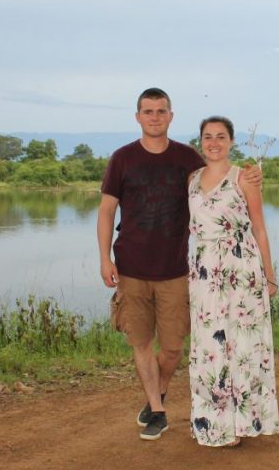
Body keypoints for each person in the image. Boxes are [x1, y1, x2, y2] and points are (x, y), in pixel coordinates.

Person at [98, 89, 261, 441]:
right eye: (148, 111)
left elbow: (220, 182)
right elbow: (107, 210)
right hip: (130, 267)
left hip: (175, 269)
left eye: (161, 111)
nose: (154, 117)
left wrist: (251, 177)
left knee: (172, 348)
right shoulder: (122, 159)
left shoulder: (188, 159)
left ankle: (157, 393)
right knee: (141, 342)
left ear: (171, 116)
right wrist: (104, 257)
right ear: (137, 116)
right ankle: (157, 411)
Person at [187, 116, 279, 447]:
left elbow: (259, 228)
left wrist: (270, 276)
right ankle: (214, 423)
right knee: (210, 347)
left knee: (242, 346)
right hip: (204, 273)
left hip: (241, 271)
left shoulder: (245, 178)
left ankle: (244, 422)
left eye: (221, 136)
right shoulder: (192, 179)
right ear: (200, 141)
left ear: (231, 141)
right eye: (208, 136)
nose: (214, 142)